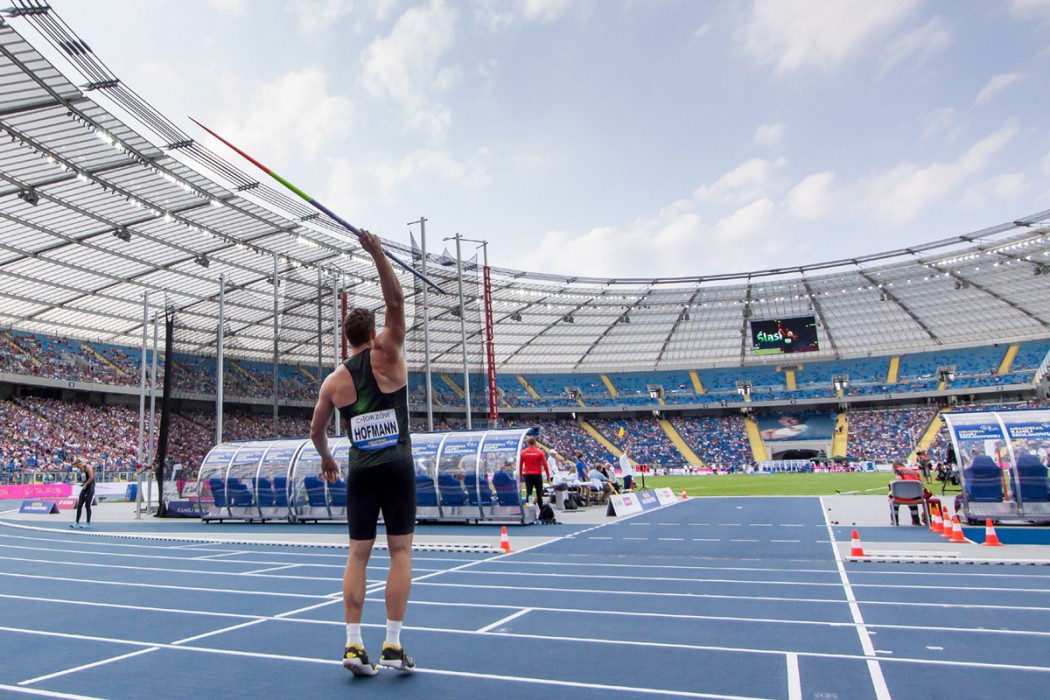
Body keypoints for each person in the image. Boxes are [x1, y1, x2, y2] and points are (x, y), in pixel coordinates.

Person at [310, 230, 415, 677]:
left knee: (357, 555)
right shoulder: (388, 353)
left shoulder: (334, 383)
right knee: (400, 552)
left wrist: (328, 458)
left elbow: (316, 430)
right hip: (397, 467)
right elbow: (396, 302)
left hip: (360, 471)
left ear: (345, 339)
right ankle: (391, 643)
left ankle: (353, 644)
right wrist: (377, 254)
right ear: (372, 334)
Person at [518, 437, 551, 507]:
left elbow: (520, 465)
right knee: (539, 494)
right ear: (535, 443)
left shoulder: (523, 452)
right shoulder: (540, 452)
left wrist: (521, 476)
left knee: (529, 493)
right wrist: (548, 477)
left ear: (528, 443)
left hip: (528, 475)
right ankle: (541, 510)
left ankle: (528, 511)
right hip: (537, 475)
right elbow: (545, 465)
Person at [71, 457, 94, 529]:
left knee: (87, 505)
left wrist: (85, 484)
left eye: (78, 466)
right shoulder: (82, 469)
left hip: (90, 487)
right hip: (85, 487)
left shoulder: (88, 467)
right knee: (80, 504)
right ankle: (77, 521)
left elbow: (91, 477)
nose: (78, 468)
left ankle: (88, 522)